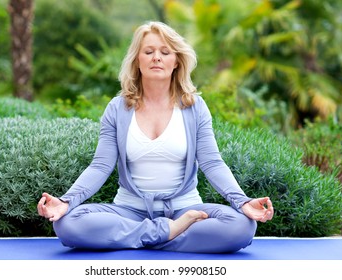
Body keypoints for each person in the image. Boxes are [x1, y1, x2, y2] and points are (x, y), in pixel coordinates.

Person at [37, 21, 274, 253]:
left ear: (176, 62)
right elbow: (101, 165)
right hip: (130, 210)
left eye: (165, 52)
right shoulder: (117, 108)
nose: (156, 58)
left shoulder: (195, 108)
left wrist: (242, 202)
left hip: (185, 209)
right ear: (137, 61)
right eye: (148, 51)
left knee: (242, 226)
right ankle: (170, 233)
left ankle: (147, 235)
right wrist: (67, 201)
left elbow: (212, 163)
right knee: (67, 223)